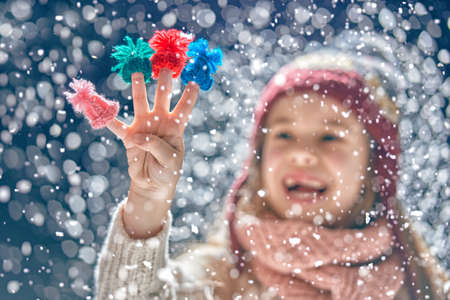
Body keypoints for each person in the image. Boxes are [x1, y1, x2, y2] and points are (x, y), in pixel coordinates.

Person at [94, 48, 449, 299]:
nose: (302, 153)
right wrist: (147, 201)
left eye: (331, 136)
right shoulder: (222, 279)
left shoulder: (422, 286)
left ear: (375, 168)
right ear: (259, 162)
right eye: (283, 134)